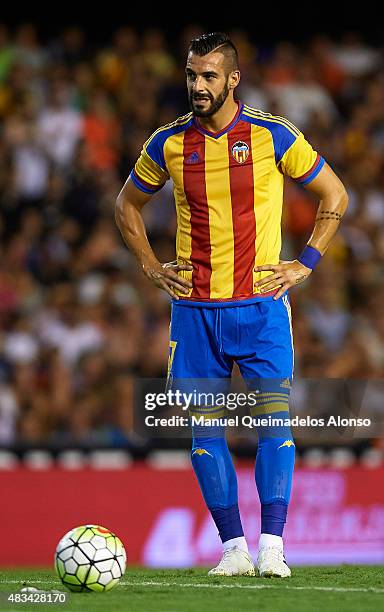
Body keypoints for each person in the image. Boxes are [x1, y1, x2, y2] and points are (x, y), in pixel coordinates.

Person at [115, 32, 348, 578]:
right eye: (192, 75)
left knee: (273, 422)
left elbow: (334, 194)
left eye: (209, 76)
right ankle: (232, 548)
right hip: (194, 311)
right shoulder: (168, 143)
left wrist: (306, 263)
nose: (198, 85)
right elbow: (126, 205)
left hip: (261, 307)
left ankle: (272, 544)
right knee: (204, 430)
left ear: (233, 79)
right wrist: (150, 266)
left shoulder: (272, 135)